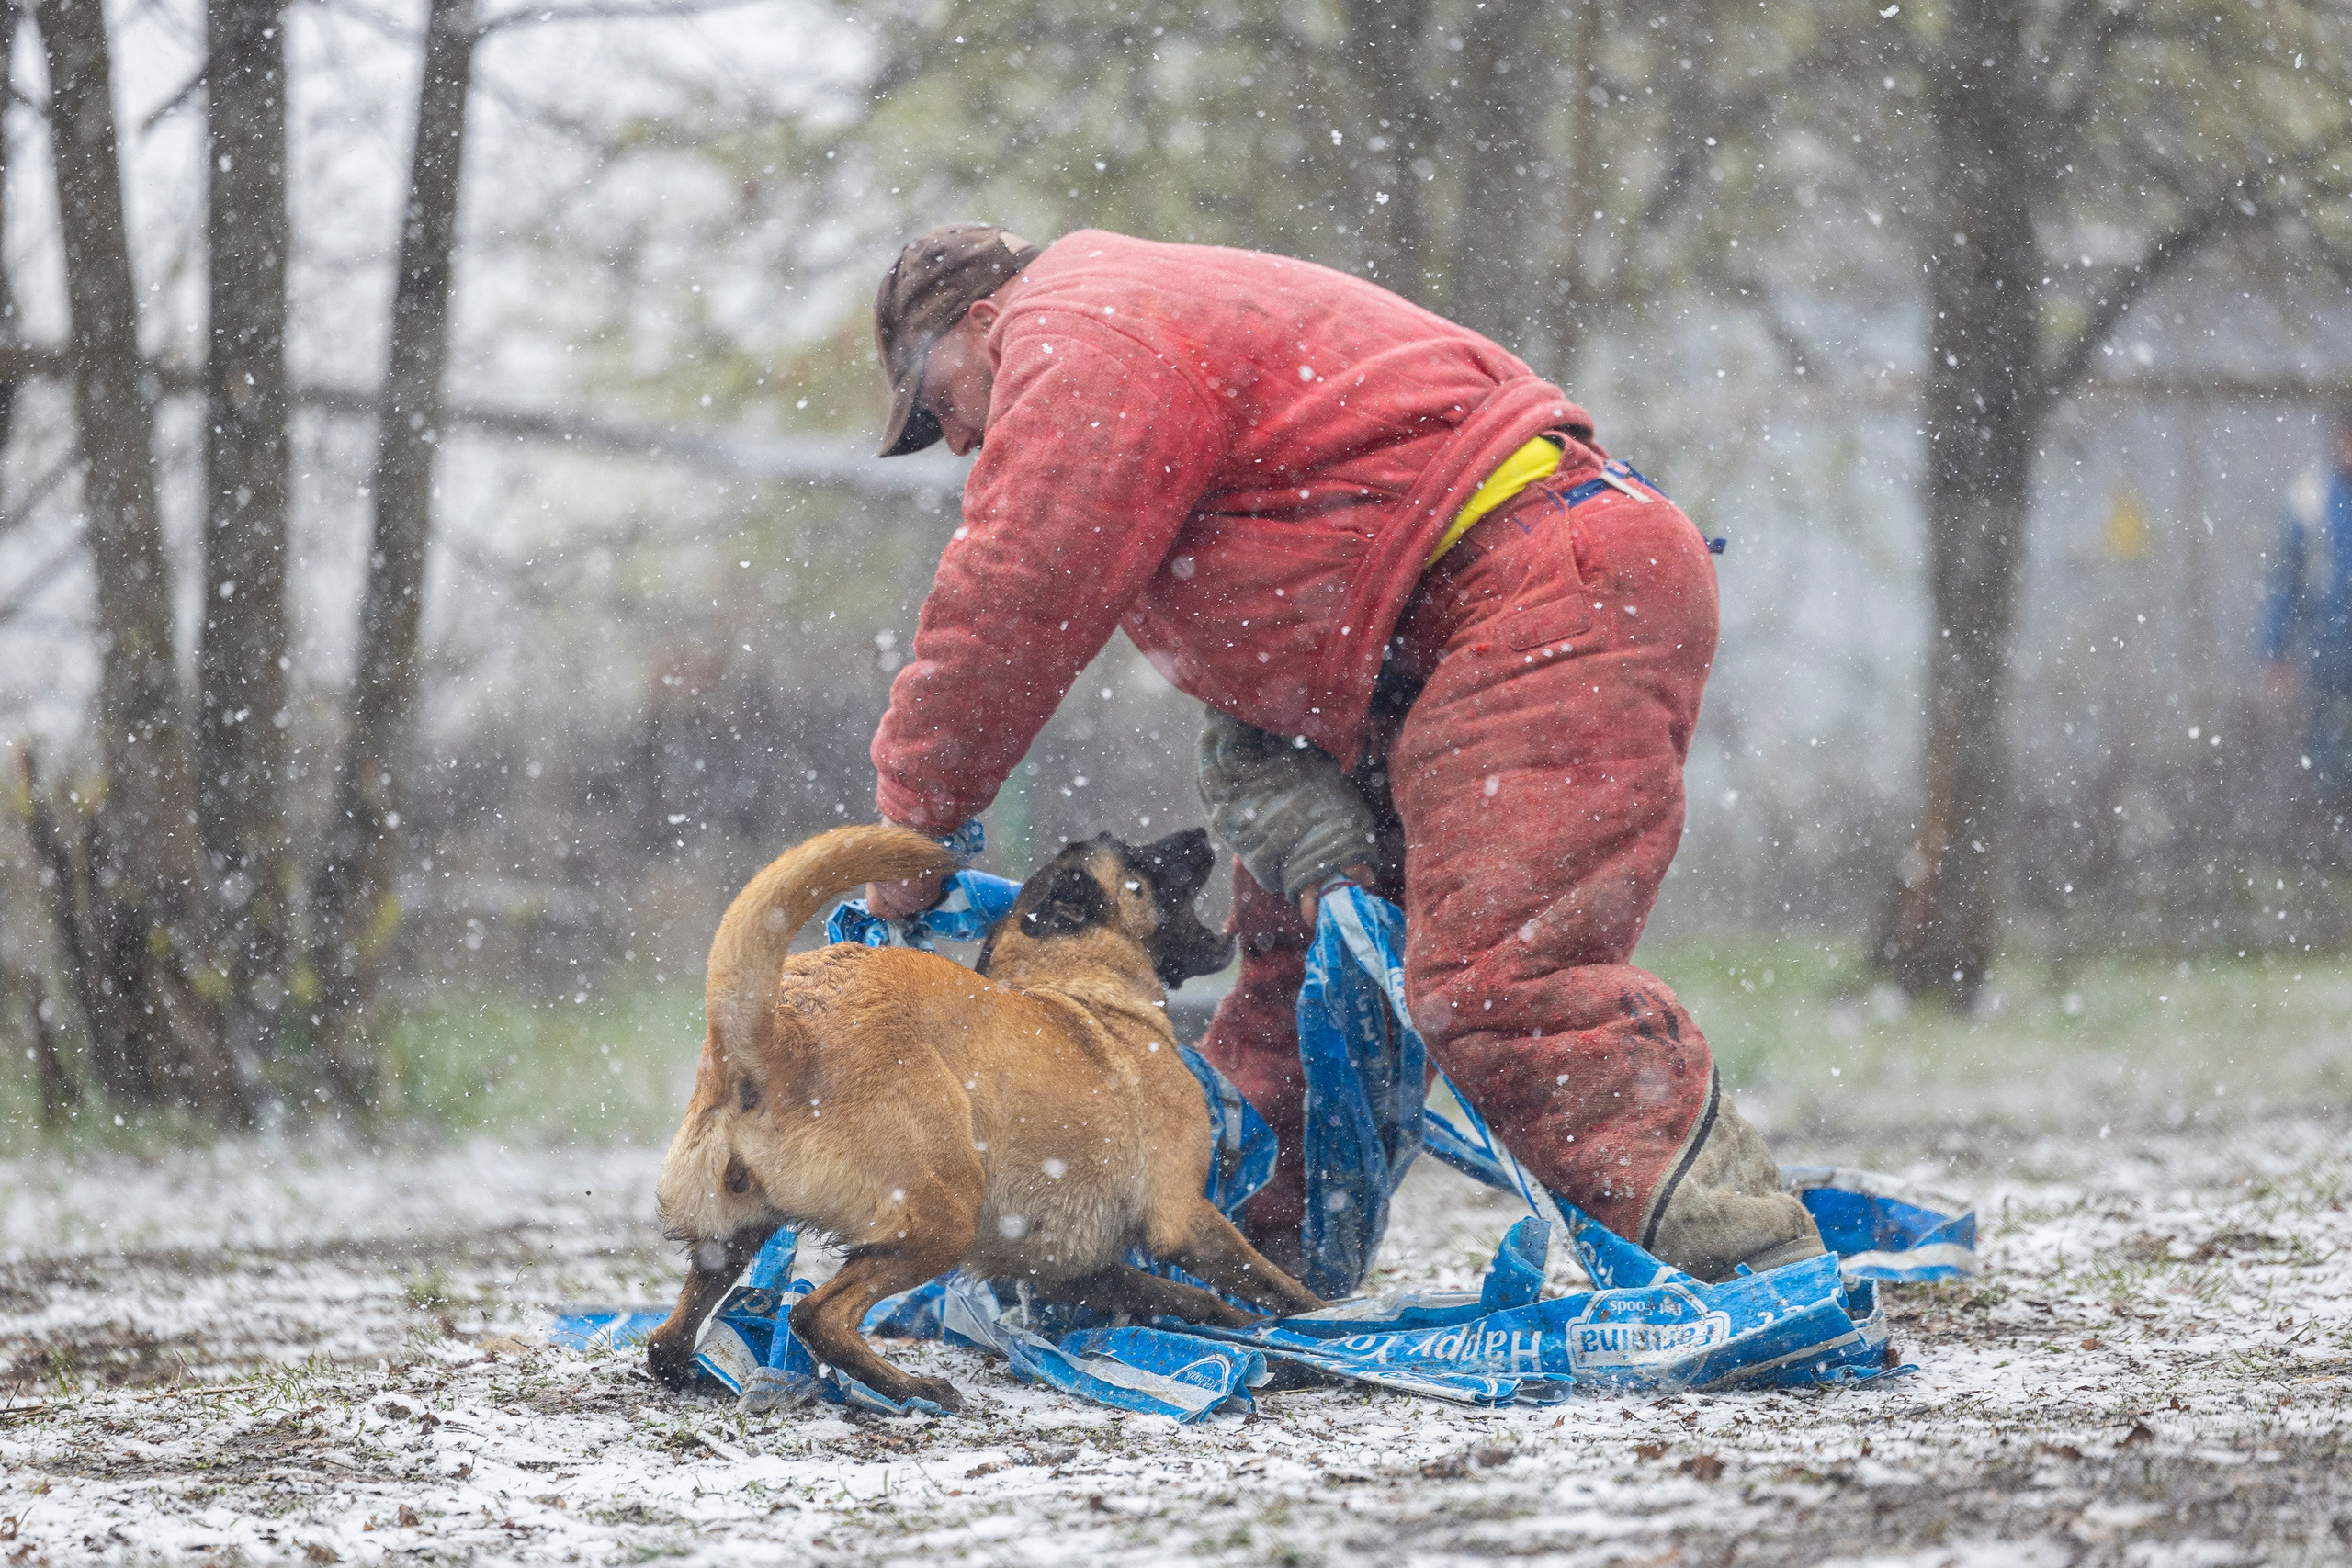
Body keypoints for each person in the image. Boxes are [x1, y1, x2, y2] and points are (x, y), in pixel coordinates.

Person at [858, 223, 1824, 1282]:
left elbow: (1013, 602)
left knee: (1501, 982)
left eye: (933, 399)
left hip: (1540, 586)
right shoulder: (1129, 317)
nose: (952, 441)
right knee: (1308, 974)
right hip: (1437, 629)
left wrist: (914, 824)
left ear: (985, 320)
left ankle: (1755, 1268)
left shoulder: (1078, 329)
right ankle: (1245, 1260)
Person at [2259, 409, 2352, 815]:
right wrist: (2275, 651)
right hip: (2326, 653)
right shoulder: (2310, 500)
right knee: (2325, 751)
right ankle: (2328, 835)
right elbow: (2286, 582)